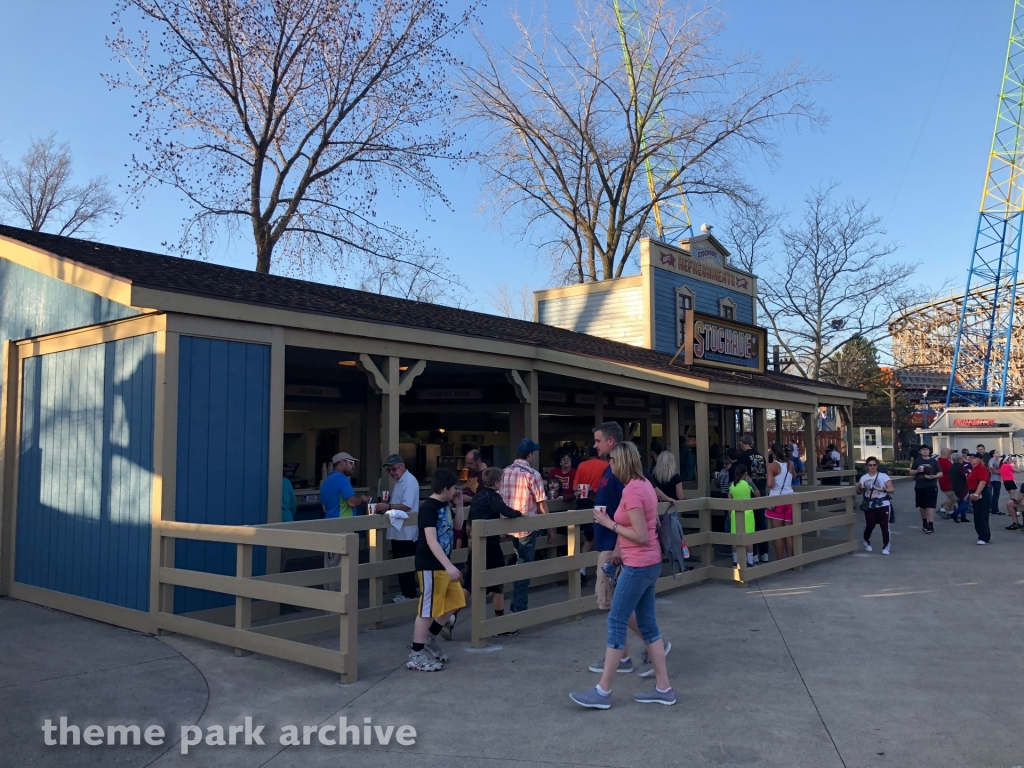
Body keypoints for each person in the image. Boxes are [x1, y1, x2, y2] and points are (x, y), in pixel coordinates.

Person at [570, 441, 674, 708]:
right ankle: (664, 688)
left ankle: (603, 691)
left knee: (616, 620)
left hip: (638, 564)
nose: (610, 465)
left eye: (612, 461)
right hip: (650, 563)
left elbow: (639, 535)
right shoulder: (644, 486)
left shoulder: (633, 492)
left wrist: (609, 524)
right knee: (648, 625)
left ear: (622, 462)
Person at [406, 468, 465, 672]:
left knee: (456, 600)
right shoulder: (429, 508)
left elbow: (458, 526)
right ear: (446, 488)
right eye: (454, 488)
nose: (457, 490)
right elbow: (431, 540)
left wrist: (459, 506)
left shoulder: (446, 504)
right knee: (427, 609)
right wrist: (448, 566)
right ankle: (416, 653)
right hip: (431, 565)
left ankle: (430, 637)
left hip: (443, 564)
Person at [467, 466, 522, 630]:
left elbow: (470, 521)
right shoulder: (494, 497)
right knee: (498, 582)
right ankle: (500, 623)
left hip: (474, 545)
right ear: (497, 483)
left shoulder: (477, 497)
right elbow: (505, 511)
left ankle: (449, 617)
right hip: (490, 546)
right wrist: (519, 514)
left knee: (469, 583)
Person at [499, 438, 551, 613]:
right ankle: (519, 608)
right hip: (527, 526)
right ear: (530, 455)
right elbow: (541, 504)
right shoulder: (533, 474)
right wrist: (550, 527)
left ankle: (515, 604)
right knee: (524, 566)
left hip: (507, 524)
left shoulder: (505, 472)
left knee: (517, 562)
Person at [321, 452, 372, 590]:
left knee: (330, 566)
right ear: (342, 462)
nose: (353, 467)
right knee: (342, 568)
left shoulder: (325, 482)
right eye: (351, 463)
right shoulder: (342, 479)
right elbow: (351, 501)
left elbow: (325, 507)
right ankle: (341, 605)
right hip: (343, 529)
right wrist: (362, 498)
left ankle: (330, 605)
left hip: (329, 527)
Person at [373, 455, 420, 603]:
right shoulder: (400, 481)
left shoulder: (409, 481)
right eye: (389, 470)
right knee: (400, 563)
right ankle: (406, 592)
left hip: (406, 531)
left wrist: (388, 506)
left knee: (405, 564)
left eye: (393, 469)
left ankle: (409, 594)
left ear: (402, 466)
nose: (392, 473)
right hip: (399, 530)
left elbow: (407, 506)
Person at [573, 446, 608, 585]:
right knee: (603, 536)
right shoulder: (606, 466)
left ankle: (581, 570)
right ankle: (603, 571)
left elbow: (575, 487)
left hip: (584, 503)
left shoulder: (582, 466)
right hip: (601, 505)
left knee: (589, 538)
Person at [733, 435, 769, 563]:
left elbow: (740, 472)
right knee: (761, 521)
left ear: (742, 443)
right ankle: (764, 552)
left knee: (749, 524)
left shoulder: (742, 457)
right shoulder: (760, 456)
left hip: (749, 488)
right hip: (762, 488)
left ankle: (752, 554)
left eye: (740, 443)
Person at [857, 458, 894, 555]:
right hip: (869, 504)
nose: (872, 467)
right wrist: (860, 488)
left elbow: (891, 489)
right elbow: (858, 492)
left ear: (877, 466)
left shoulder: (883, 476)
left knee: (885, 526)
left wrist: (884, 489)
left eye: (874, 465)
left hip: (883, 504)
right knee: (870, 525)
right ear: (867, 466)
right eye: (870, 465)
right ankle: (865, 540)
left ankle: (886, 546)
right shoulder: (864, 478)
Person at [765, 443, 795, 559]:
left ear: (772, 453)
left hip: (776, 500)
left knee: (778, 534)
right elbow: (793, 477)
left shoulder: (771, 466)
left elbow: (770, 484)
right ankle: (791, 559)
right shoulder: (790, 464)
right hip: (790, 498)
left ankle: (780, 561)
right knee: (788, 533)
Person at [728, 464, 758, 568]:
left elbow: (729, 501)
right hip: (748, 512)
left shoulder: (731, 484)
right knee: (749, 538)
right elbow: (758, 494)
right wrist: (752, 482)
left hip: (734, 512)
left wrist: (729, 514)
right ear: (745, 474)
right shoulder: (748, 483)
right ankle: (749, 561)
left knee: (735, 539)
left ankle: (735, 561)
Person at [911, 444, 941, 534]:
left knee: (930, 506)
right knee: (922, 506)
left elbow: (941, 473)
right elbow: (911, 472)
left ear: (929, 451)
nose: (925, 451)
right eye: (923, 450)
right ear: (920, 452)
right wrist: (917, 471)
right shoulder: (917, 461)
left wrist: (934, 476)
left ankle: (931, 525)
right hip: (920, 486)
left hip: (931, 486)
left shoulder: (934, 461)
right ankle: (925, 522)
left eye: (927, 449)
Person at [966, 452, 992, 545]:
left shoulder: (981, 468)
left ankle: (984, 537)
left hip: (982, 492)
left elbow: (982, 482)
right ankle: (983, 536)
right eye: (970, 457)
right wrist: (968, 494)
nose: (971, 459)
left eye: (974, 458)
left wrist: (976, 494)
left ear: (979, 459)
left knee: (981, 516)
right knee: (978, 515)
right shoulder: (973, 469)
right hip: (974, 491)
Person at [949, 452, 971, 524]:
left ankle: (963, 517)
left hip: (955, 486)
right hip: (963, 486)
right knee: (966, 502)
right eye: (961, 458)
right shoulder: (960, 467)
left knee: (961, 502)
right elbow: (967, 475)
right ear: (959, 459)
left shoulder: (952, 467)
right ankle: (955, 514)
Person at [1000, 456, 1020, 530]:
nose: (1011, 460)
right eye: (1010, 459)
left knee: (1011, 495)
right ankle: (1015, 510)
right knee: (1013, 496)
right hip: (1011, 481)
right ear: (1007, 460)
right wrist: (1015, 463)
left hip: (1006, 482)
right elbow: (1017, 470)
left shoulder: (1002, 466)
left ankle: (1013, 509)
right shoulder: (1008, 465)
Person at [937, 447, 955, 519]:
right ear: (944, 453)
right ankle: (943, 509)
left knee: (951, 497)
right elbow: (952, 471)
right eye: (949, 453)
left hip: (948, 482)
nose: (950, 455)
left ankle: (951, 512)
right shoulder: (943, 461)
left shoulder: (944, 461)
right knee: (954, 497)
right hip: (946, 482)